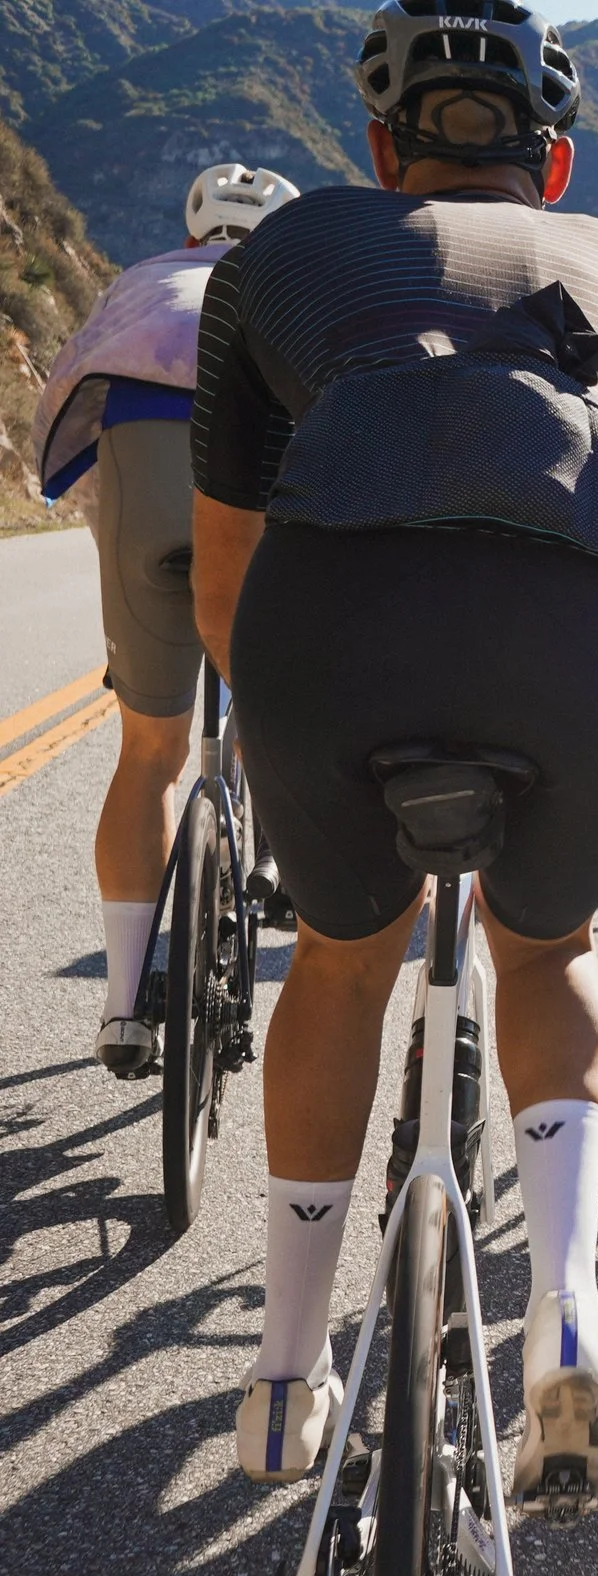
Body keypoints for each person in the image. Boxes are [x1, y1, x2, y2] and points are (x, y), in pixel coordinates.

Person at [191, 0, 598, 1511]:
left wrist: (297, 737)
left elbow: (226, 577)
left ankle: (285, 1371)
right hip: (594, 646)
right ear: (554, 165)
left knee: (341, 960)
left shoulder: (285, 254)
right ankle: (566, 1302)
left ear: (378, 148)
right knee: (547, 949)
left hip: (333, 627)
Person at [34, 161, 299, 1077]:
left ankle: (121, 1008)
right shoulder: (296, 290)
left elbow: (66, 404)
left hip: (143, 479)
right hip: (262, 490)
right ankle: (281, 859)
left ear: (192, 236)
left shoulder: (140, 282)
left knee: (148, 752)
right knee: (283, 705)